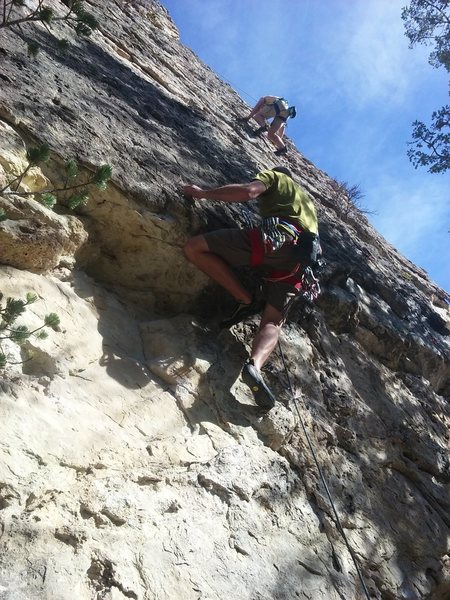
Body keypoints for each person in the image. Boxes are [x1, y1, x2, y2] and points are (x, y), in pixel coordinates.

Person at [183, 166, 319, 410]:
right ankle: (254, 366)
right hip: (302, 264)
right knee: (274, 320)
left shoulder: (277, 177)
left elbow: (249, 192)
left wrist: (202, 193)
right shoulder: (307, 203)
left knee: (194, 247)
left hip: (277, 241)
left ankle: (245, 298)